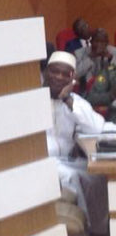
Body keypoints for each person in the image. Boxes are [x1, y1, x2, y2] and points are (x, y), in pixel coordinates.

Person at [45, 51, 116, 236]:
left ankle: (102, 230)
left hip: (67, 159)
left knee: (98, 177)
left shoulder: (74, 102)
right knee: (73, 177)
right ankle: (84, 231)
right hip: (43, 162)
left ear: (72, 78)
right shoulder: (32, 99)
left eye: (65, 74)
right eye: (54, 72)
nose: (58, 77)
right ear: (46, 72)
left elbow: (97, 127)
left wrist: (68, 100)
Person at [75, 28, 116, 115]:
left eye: (102, 42)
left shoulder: (113, 52)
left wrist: (110, 61)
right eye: (96, 41)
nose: (99, 45)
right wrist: (90, 58)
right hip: (86, 92)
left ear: (107, 43)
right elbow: (76, 74)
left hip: (108, 91)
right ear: (91, 41)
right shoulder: (80, 53)